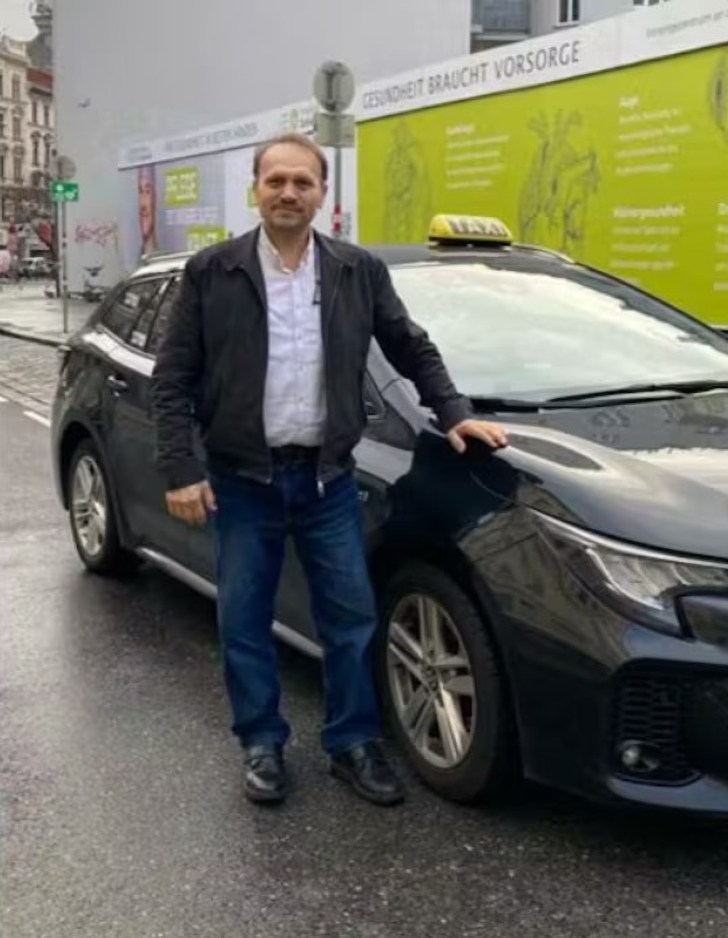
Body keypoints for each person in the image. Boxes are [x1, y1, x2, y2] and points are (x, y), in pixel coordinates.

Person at [151, 132, 508, 808]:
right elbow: (174, 378)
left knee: (351, 620)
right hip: (241, 481)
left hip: (326, 481)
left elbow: (409, 344)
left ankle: (352, 743)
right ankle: (261, 743)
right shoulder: (213, 271)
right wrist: (179, 468)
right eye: (276, 181)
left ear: (322, 193)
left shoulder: (355, 270)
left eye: (302, 183)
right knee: (244, 621)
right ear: (256, 189)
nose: (288, 193)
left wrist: (454, 412)